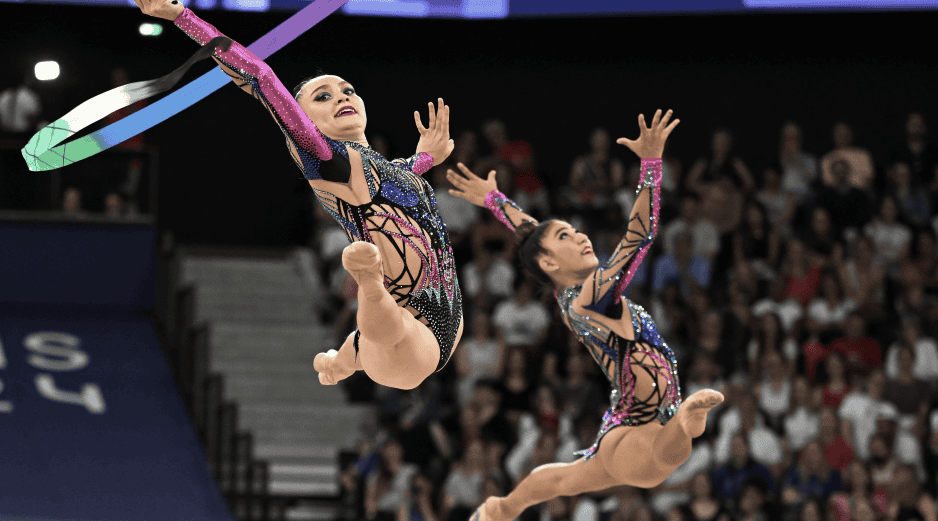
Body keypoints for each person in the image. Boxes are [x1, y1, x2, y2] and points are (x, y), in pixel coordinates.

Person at [134, 0, 463, 391]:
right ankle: (367, 285)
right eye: (321, 97)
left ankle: (342, 360)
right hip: (406, 335)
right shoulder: (327, 160)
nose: (341, 97)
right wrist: (182, 17)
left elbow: (398, 184)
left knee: (368, 340)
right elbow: (258, 77)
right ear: (303, 122)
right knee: (382, 323)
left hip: (447, 317)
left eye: (347, 90)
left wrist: (428, 157)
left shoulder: (376, 166)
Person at [448, 109, 724, 521]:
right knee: (659, 459)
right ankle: (686, 422)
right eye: (565, 235)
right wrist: (650, 164)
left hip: (630, 422)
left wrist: (495, 200)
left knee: (567, 480)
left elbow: (530, 235)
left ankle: (500, 509)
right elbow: (640, 235)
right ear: (550, 266)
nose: (578, 234)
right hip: (640, 430)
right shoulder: (590, 297)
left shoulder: (571, 291)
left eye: (574, 229)